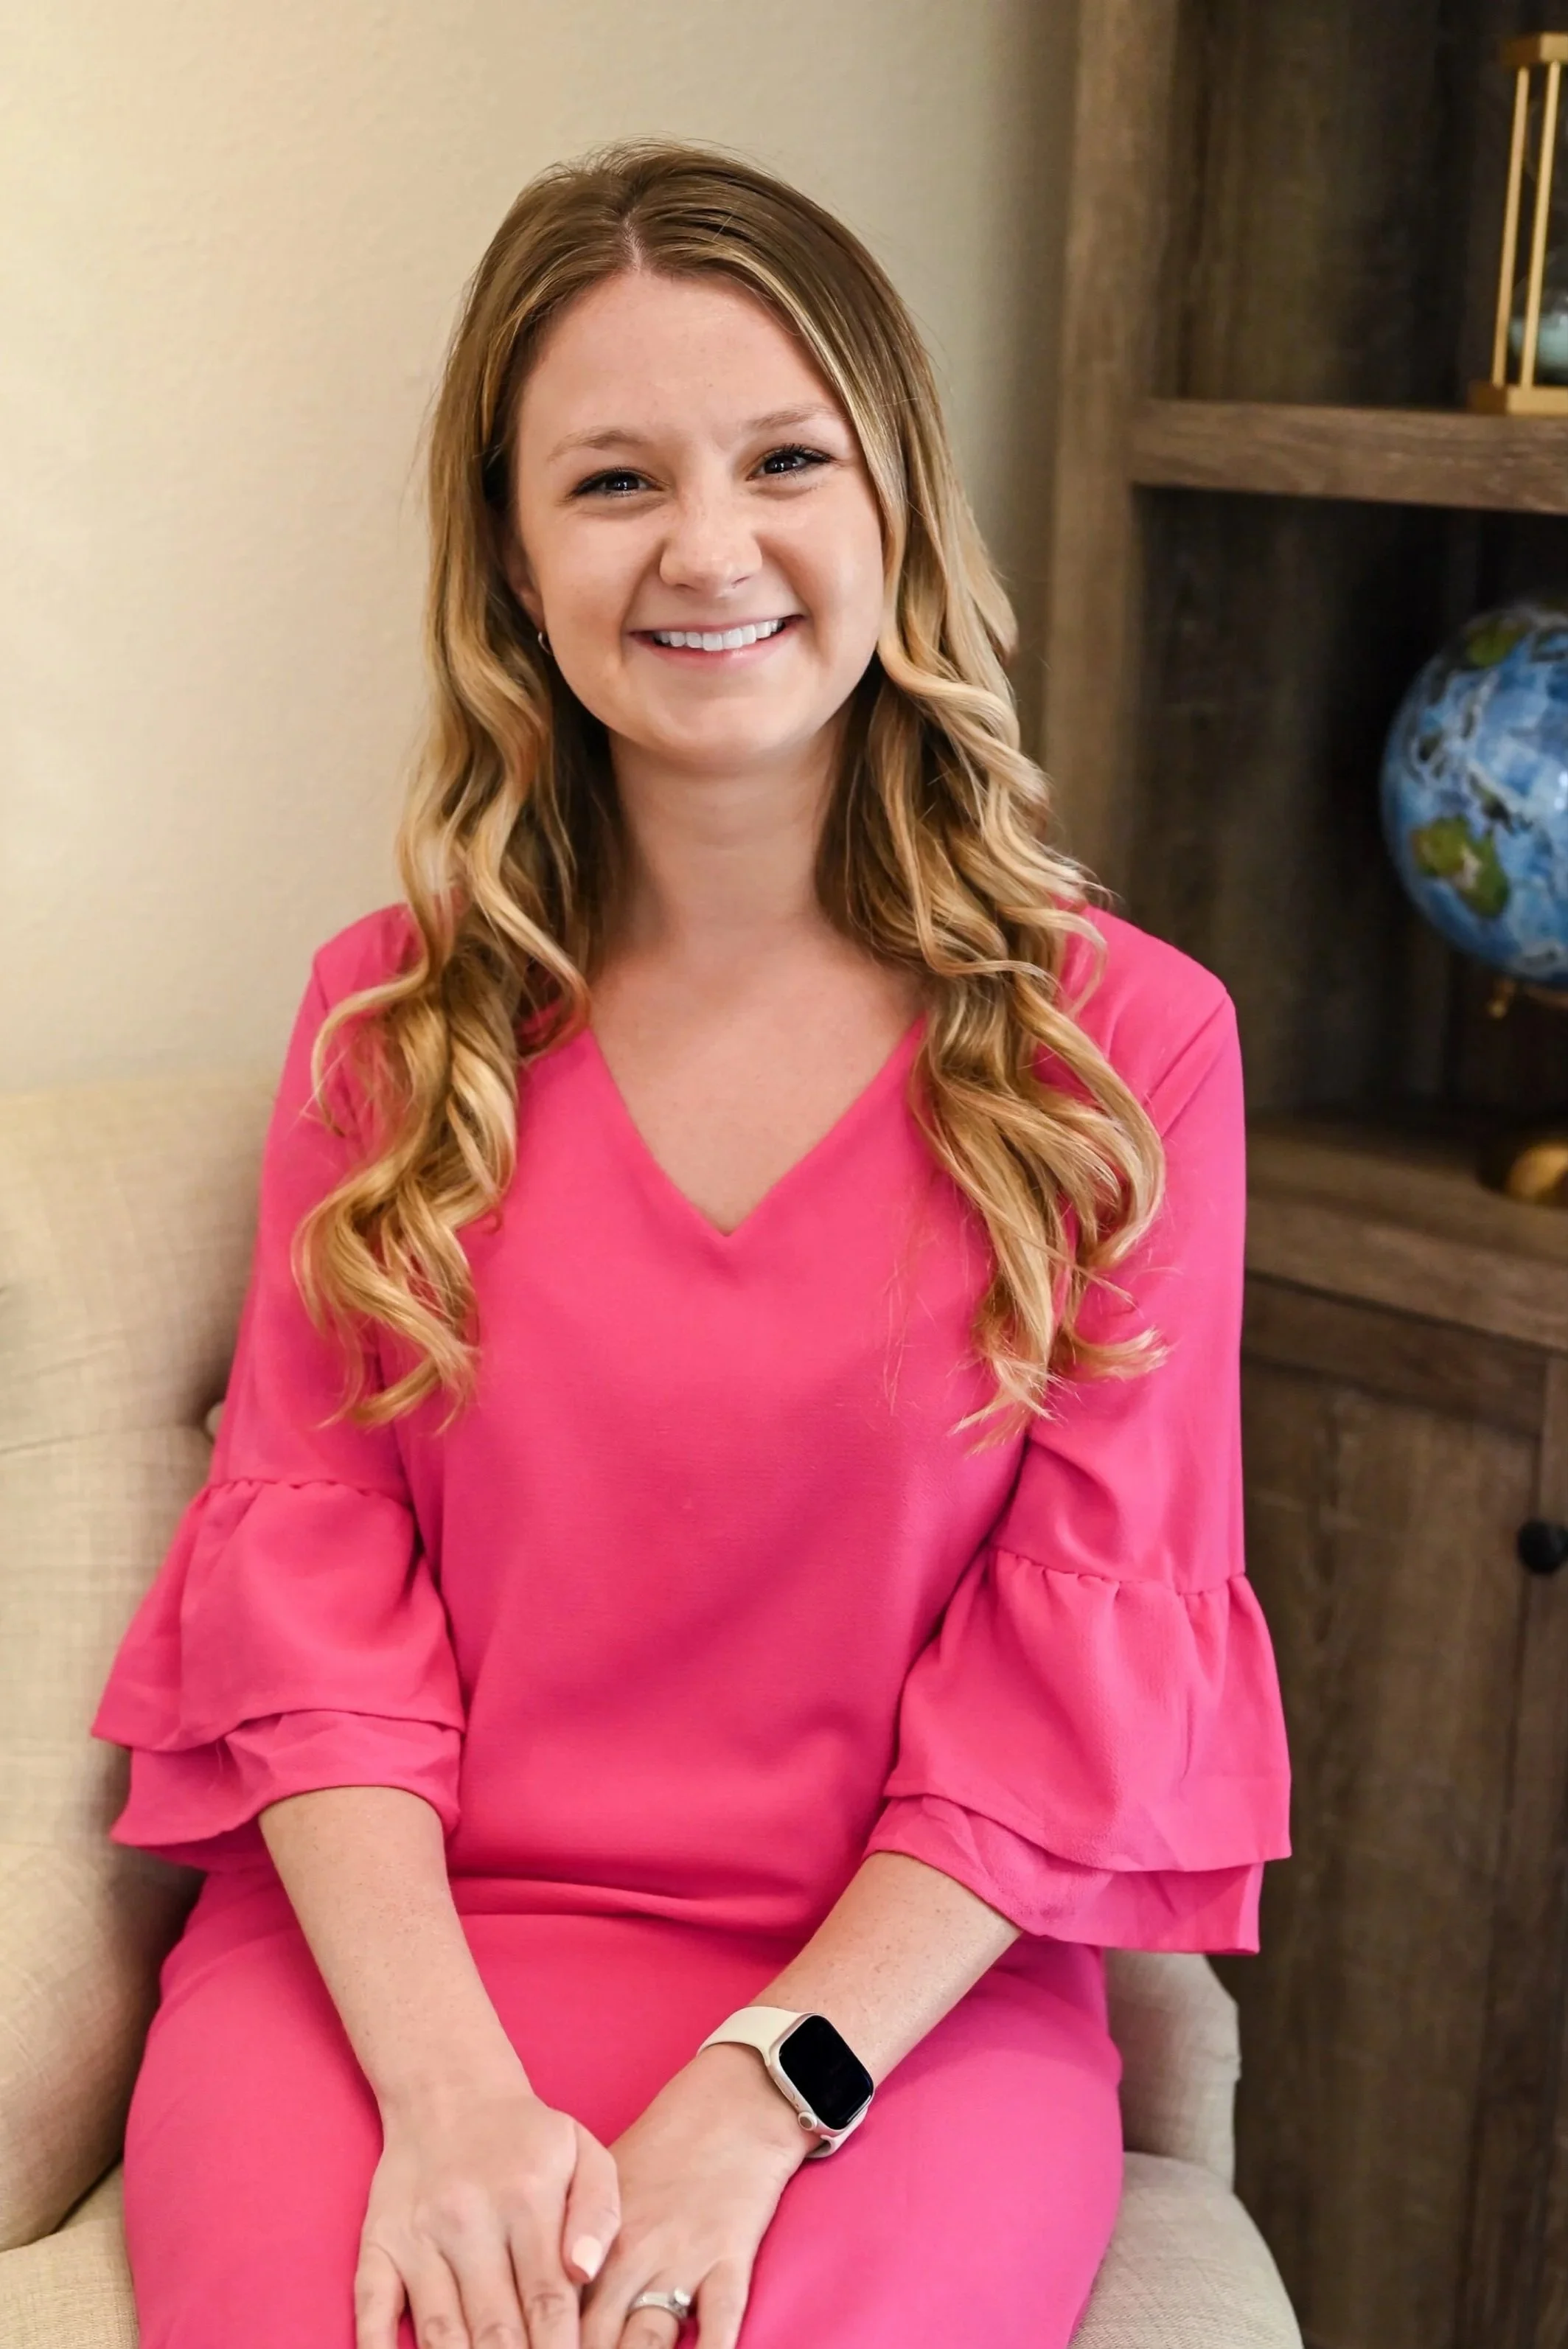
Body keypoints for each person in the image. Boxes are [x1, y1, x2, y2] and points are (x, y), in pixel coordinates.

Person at [92, 139, 1292, 2349]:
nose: (708, 548)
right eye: (613, 480)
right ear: (513, 554)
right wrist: (447, 2102)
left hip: (890, 2015)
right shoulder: (391, 1023)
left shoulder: (1128, 1054)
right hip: (391, 1970)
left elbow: (1071, 1678)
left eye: (780, 459)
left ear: (894, 505)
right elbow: (315, 1610)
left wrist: (764, 2093)